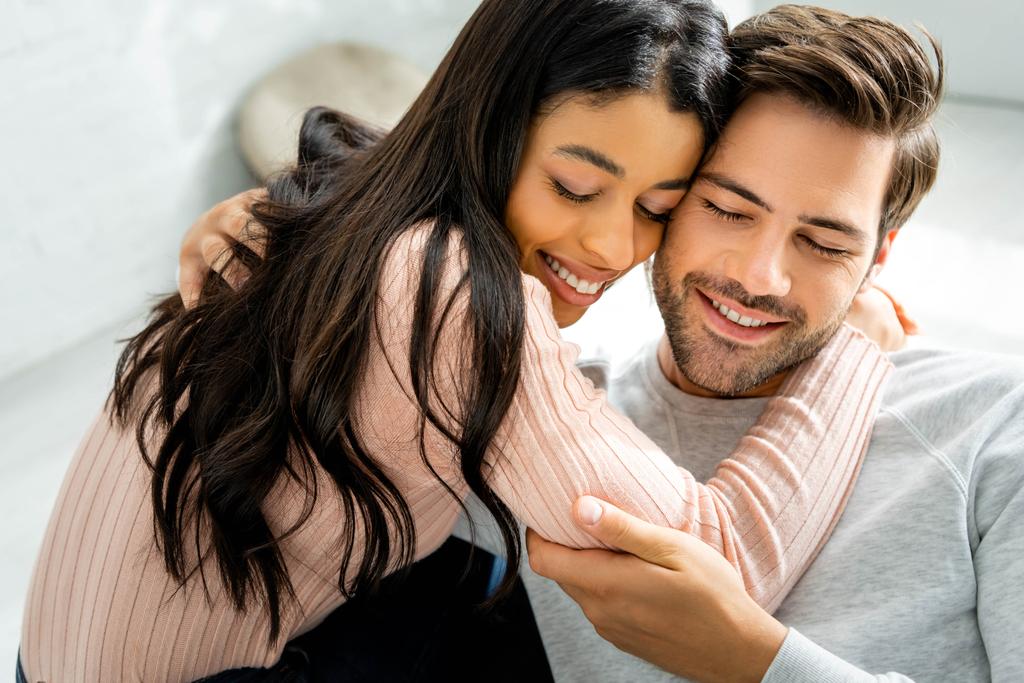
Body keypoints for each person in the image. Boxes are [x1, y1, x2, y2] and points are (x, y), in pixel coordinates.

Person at [17, 2, 898, 682]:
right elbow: (721, 563)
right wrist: (856, 344)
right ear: (491, 121)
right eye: (574, 185)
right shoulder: (453, 293)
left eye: (656, 209)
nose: (611, 246)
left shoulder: (351, 199)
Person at [522, 6, 1024, 682]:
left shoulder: (995, 427)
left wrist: (757, 662)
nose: (760, 276)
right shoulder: (540, 409)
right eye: (727, 209)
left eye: (824, 243)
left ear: (878, 257)